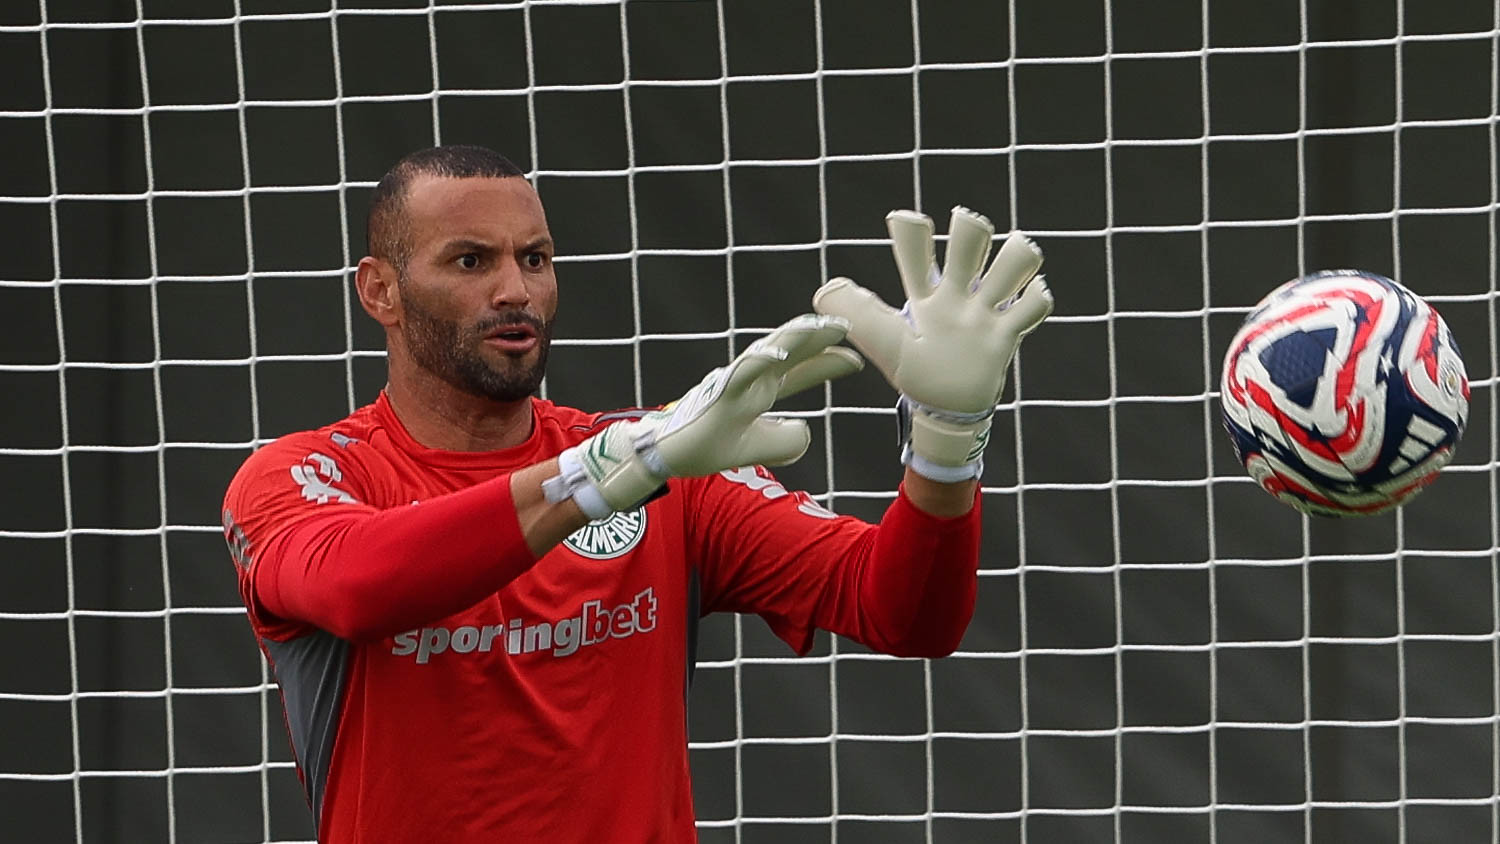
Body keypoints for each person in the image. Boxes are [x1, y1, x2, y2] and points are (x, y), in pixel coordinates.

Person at [220, 144, 1054, 843]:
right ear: (380, 291)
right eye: (471, 260)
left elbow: (906, 613)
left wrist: (947, 449)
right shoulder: (308, 475)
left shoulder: (664, 460)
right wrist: (609, 472)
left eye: (535, 259)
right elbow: (361, 587)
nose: (515, 290)